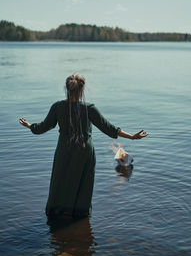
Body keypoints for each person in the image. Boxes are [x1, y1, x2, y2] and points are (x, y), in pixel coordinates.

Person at [19, 73, 148, 219]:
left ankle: (57, 214)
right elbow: (109, 128)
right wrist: (132, 136)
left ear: (67, 89)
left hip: (64, 150)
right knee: (83, 184)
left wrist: (30, 126)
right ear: (82, 90)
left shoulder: (57, 107)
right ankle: (80, 216)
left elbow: (42, 127)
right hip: (84, 151)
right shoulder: (89, 108)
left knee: (60, 181)